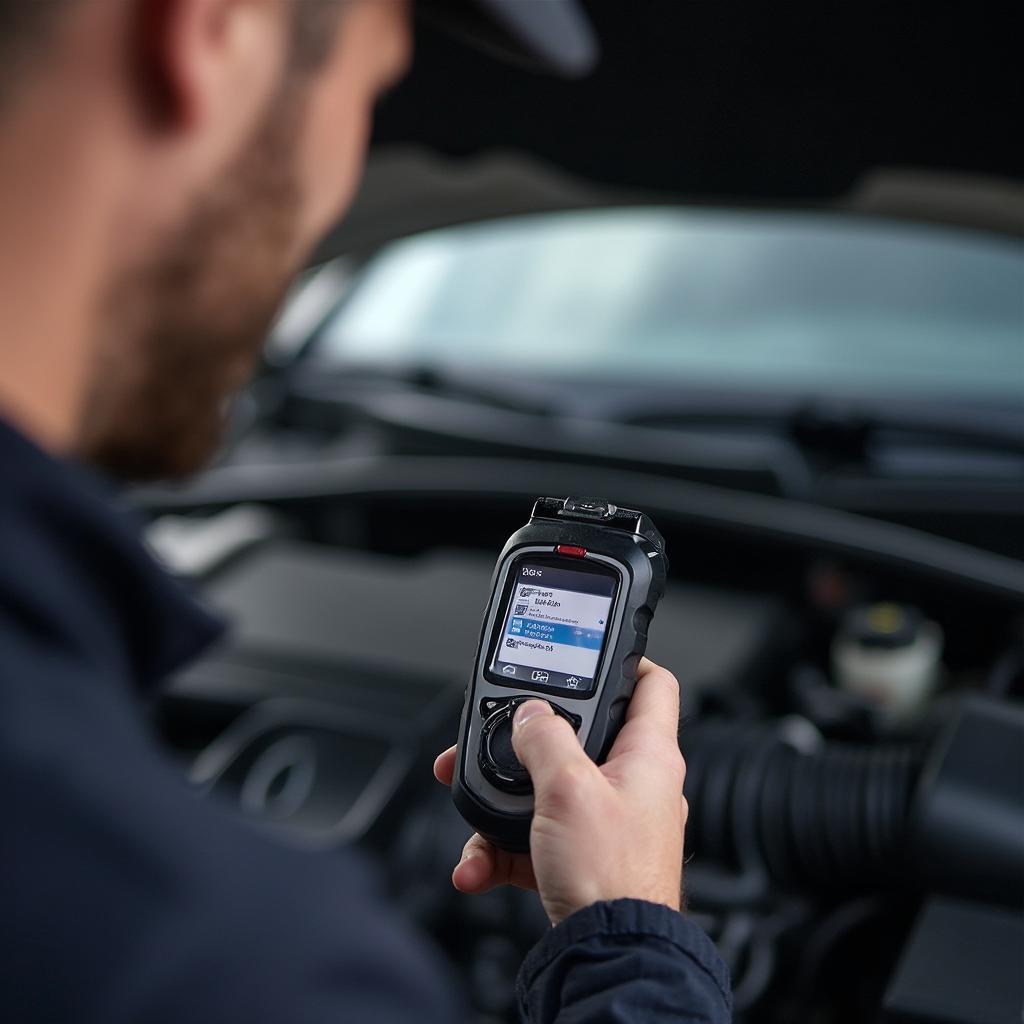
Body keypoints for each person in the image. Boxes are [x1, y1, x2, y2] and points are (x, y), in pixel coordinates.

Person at [0, 1, 732, 1020]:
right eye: (371, 90)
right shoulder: (238, 969)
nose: (342, 179)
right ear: (214, 29)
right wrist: (631, 945)